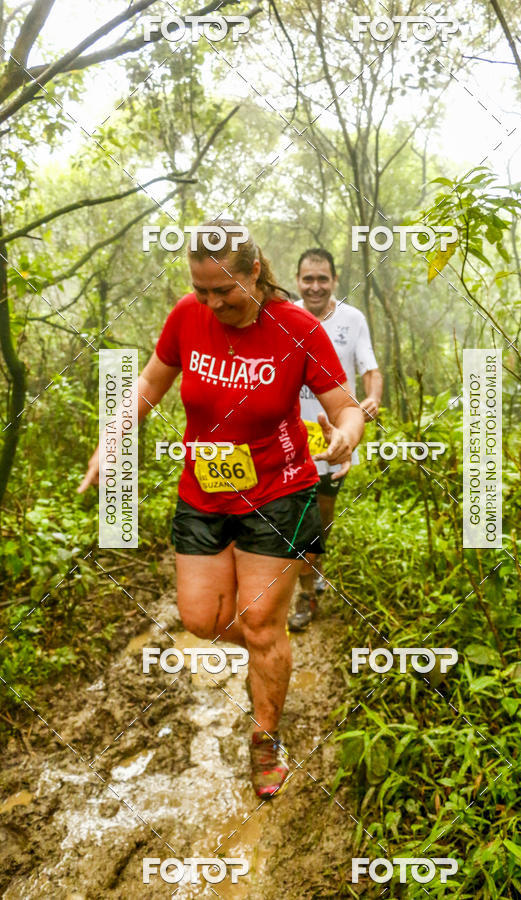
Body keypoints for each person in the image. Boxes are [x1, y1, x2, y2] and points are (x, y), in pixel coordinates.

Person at [78, 222, 365, 800]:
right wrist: (109, 442)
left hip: (277, 491)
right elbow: (147, 386)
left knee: (258, 624)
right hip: (203, 491)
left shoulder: (298, 329)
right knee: (201, 620)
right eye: (201, 290)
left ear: (255, 271)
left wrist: (346, 435)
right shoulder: (187, 316)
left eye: (224, 292)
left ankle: (266, 737)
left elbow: (346, 405)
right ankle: (272, 645)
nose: (212, 303)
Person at [287, 248, 383, 632]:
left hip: (334, 440)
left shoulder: (352, 319)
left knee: (321, 517)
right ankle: (305, 594)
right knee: (299, 518)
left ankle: (314, 563)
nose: (314, 286)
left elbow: (370, 368)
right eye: (307, 279)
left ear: (334, 281)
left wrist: (372, 397)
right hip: (288, 437)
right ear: (297, 281)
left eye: (322, 279)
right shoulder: (281, 315)